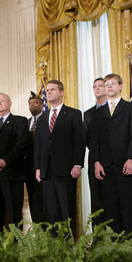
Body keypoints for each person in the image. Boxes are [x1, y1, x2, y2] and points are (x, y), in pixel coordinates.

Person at [34, 80, 85, 236]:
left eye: (53, 89)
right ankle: (56, 248)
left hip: (66, 171)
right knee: (51, 211)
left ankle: (70, 248)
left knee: (66, 210)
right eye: (47, 90)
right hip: (47, 171)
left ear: (62, 92)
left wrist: (77, 164)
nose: (48, 92)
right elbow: (39, 145)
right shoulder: (42, 118)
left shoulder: (73, 114)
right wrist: (37, 167)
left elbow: (79, 141)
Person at [92, 73, 132, 236]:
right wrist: (96, 162)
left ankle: (130, 243)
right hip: (105, 165)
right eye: (106, 84)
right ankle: (114, 245)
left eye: (112, 83)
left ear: (120, 86)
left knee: (127, 204)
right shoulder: (99, 112)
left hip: (124, 163)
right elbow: (95, 140)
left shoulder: (130, 107)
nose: (109, 86)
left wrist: (131, 159)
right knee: (109, 205)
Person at [0, 93, 30, 231]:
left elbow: (22, 144)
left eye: (2, 101)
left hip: (12, 174)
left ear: (9, 103)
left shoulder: (20, 121)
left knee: (14, 213)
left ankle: (14, 247)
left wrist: (5, 161)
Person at [84, 77, 107, 227]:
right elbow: (86, 138)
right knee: (96, 201)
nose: (97, 88)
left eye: (100, 85)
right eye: (95, 86)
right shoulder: (87, 114)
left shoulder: (112, 109)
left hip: (112, 161)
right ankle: (97, 241)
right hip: (94, 161)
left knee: (110, 201)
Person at [26, 92, 46, 223]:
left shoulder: (47, 118)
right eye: (30, 103)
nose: (33, 105)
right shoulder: (25, 122)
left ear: (42, 104)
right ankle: (37, 227)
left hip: (44, 165)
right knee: (33, 199)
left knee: (45, 199)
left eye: (36, 103)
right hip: (29, 167)